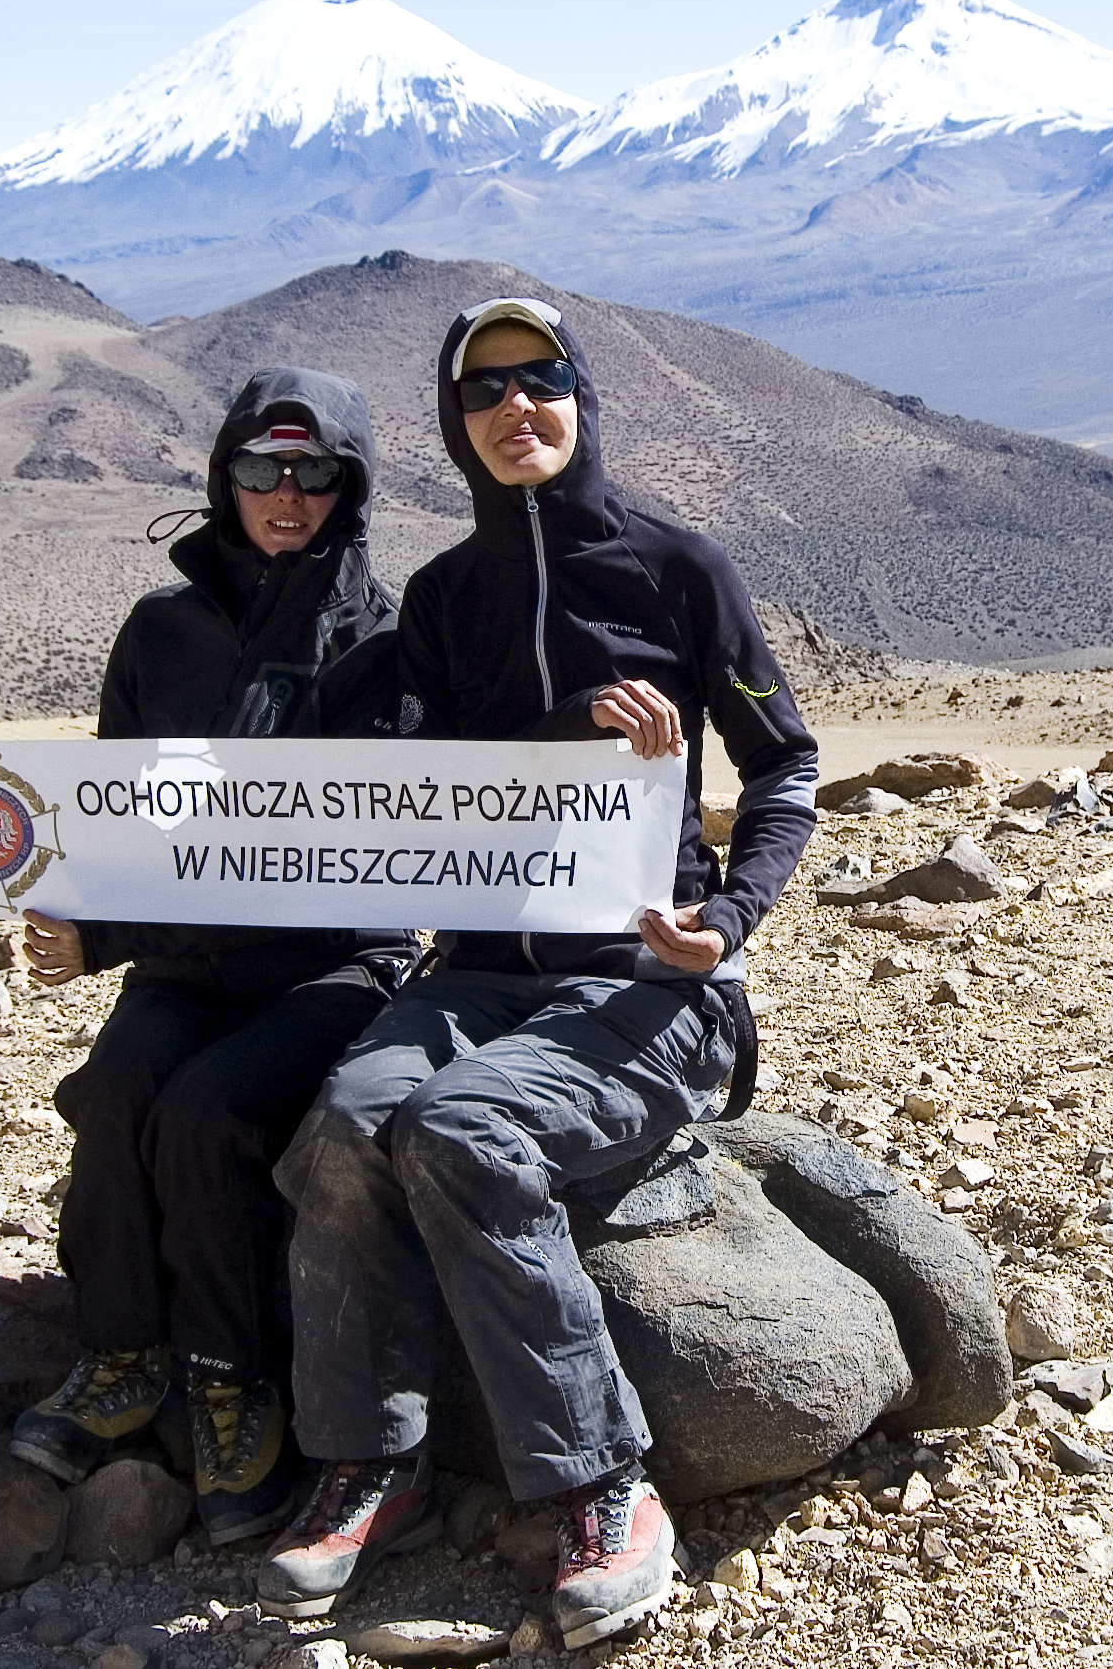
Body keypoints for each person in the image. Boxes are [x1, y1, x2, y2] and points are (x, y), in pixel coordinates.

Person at [256, 298, 819, 1645]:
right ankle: (370, 1457)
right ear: (456, 427)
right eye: (485, 391)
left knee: (461, 1133)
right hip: (477, 974)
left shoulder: (681, 571)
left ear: (580, 394)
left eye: (541, 379)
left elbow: (783, 767)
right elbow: (438, 781)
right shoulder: (448, 598)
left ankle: (600, 1487)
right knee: (340, 1129)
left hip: (647, 986)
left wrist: (727, 919)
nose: (518, 408)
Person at [0, 368, 417, 1545]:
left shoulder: (382, 641)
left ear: (348, 486)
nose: (285, 492)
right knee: (115, 1088)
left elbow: (371, 842)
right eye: (260, 468)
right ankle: (121, 1356)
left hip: (333, 962)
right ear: (222, 477)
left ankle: (229, 1378)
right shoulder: (161, 632)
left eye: (313, 470)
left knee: (207, 1110)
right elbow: (118, 816)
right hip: (188, 958)